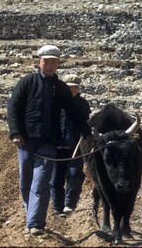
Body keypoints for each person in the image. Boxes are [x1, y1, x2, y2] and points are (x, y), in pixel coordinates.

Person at [7, 44, 93, 236]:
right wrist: (16, 133)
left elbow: (73, 112)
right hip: (26, 141)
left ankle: (35, 222)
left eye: (54, 62)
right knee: (25, 182)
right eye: (47, 61)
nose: (50, 65)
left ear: (58, 64)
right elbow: (13, 107)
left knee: (41, 182)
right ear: (39, 62)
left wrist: (87, 133)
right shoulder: (27, 82)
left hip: (49, 142)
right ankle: (32, 214)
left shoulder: (61, 87)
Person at [50, 74, 91, 217]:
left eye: (75, 87)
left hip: (76, 147)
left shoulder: (83, 104)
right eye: (69, 87)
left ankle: (69, 205)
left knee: (74, 176)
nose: (72, 89)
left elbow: (86, 123)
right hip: (58, 148)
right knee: (56, 179)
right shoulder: (55, 103)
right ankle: (58, 206)